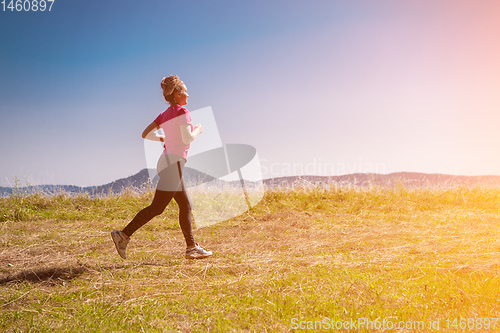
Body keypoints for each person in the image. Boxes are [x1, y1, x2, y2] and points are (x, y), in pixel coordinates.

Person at [111, 75, 212, 259]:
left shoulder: (164, 115)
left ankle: (191, 247)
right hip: (174, 163)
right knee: (157, 207)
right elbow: (188, 138)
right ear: (178, 93)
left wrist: (163, 138)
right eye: (186, 91)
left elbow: (145, 134)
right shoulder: (183, 112)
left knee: (185, 205)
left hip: (165, 162)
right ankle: (123, 235)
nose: (188, 95)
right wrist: (198, 129)